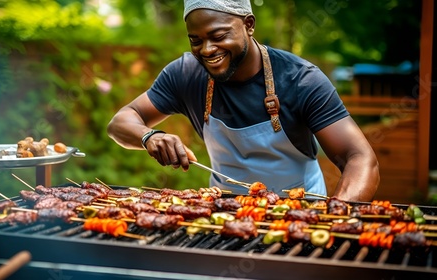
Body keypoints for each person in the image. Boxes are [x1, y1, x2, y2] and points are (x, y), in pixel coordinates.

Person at [107, 0, 379, 201]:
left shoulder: (301, 80)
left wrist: (338, 214)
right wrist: (149, 137)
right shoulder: (186, 74)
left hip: (300, 213)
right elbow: (121, 122)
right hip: (224, 214)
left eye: (218, 36)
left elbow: (359, 158)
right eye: (195, 40)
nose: (207, 50)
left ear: (248, 25)